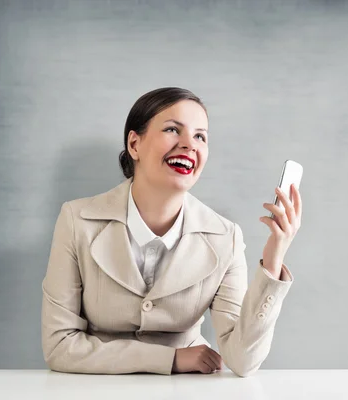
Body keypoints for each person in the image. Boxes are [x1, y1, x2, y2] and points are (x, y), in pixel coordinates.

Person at [41, 87, 302, 376]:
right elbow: (59, 346)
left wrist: (274, 259)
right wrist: (172, 358)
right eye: (172, 130)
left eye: (200, 136)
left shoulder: (225, 237)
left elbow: (243, 360)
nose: (190, 145)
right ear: (134, 144)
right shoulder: (77, 220)